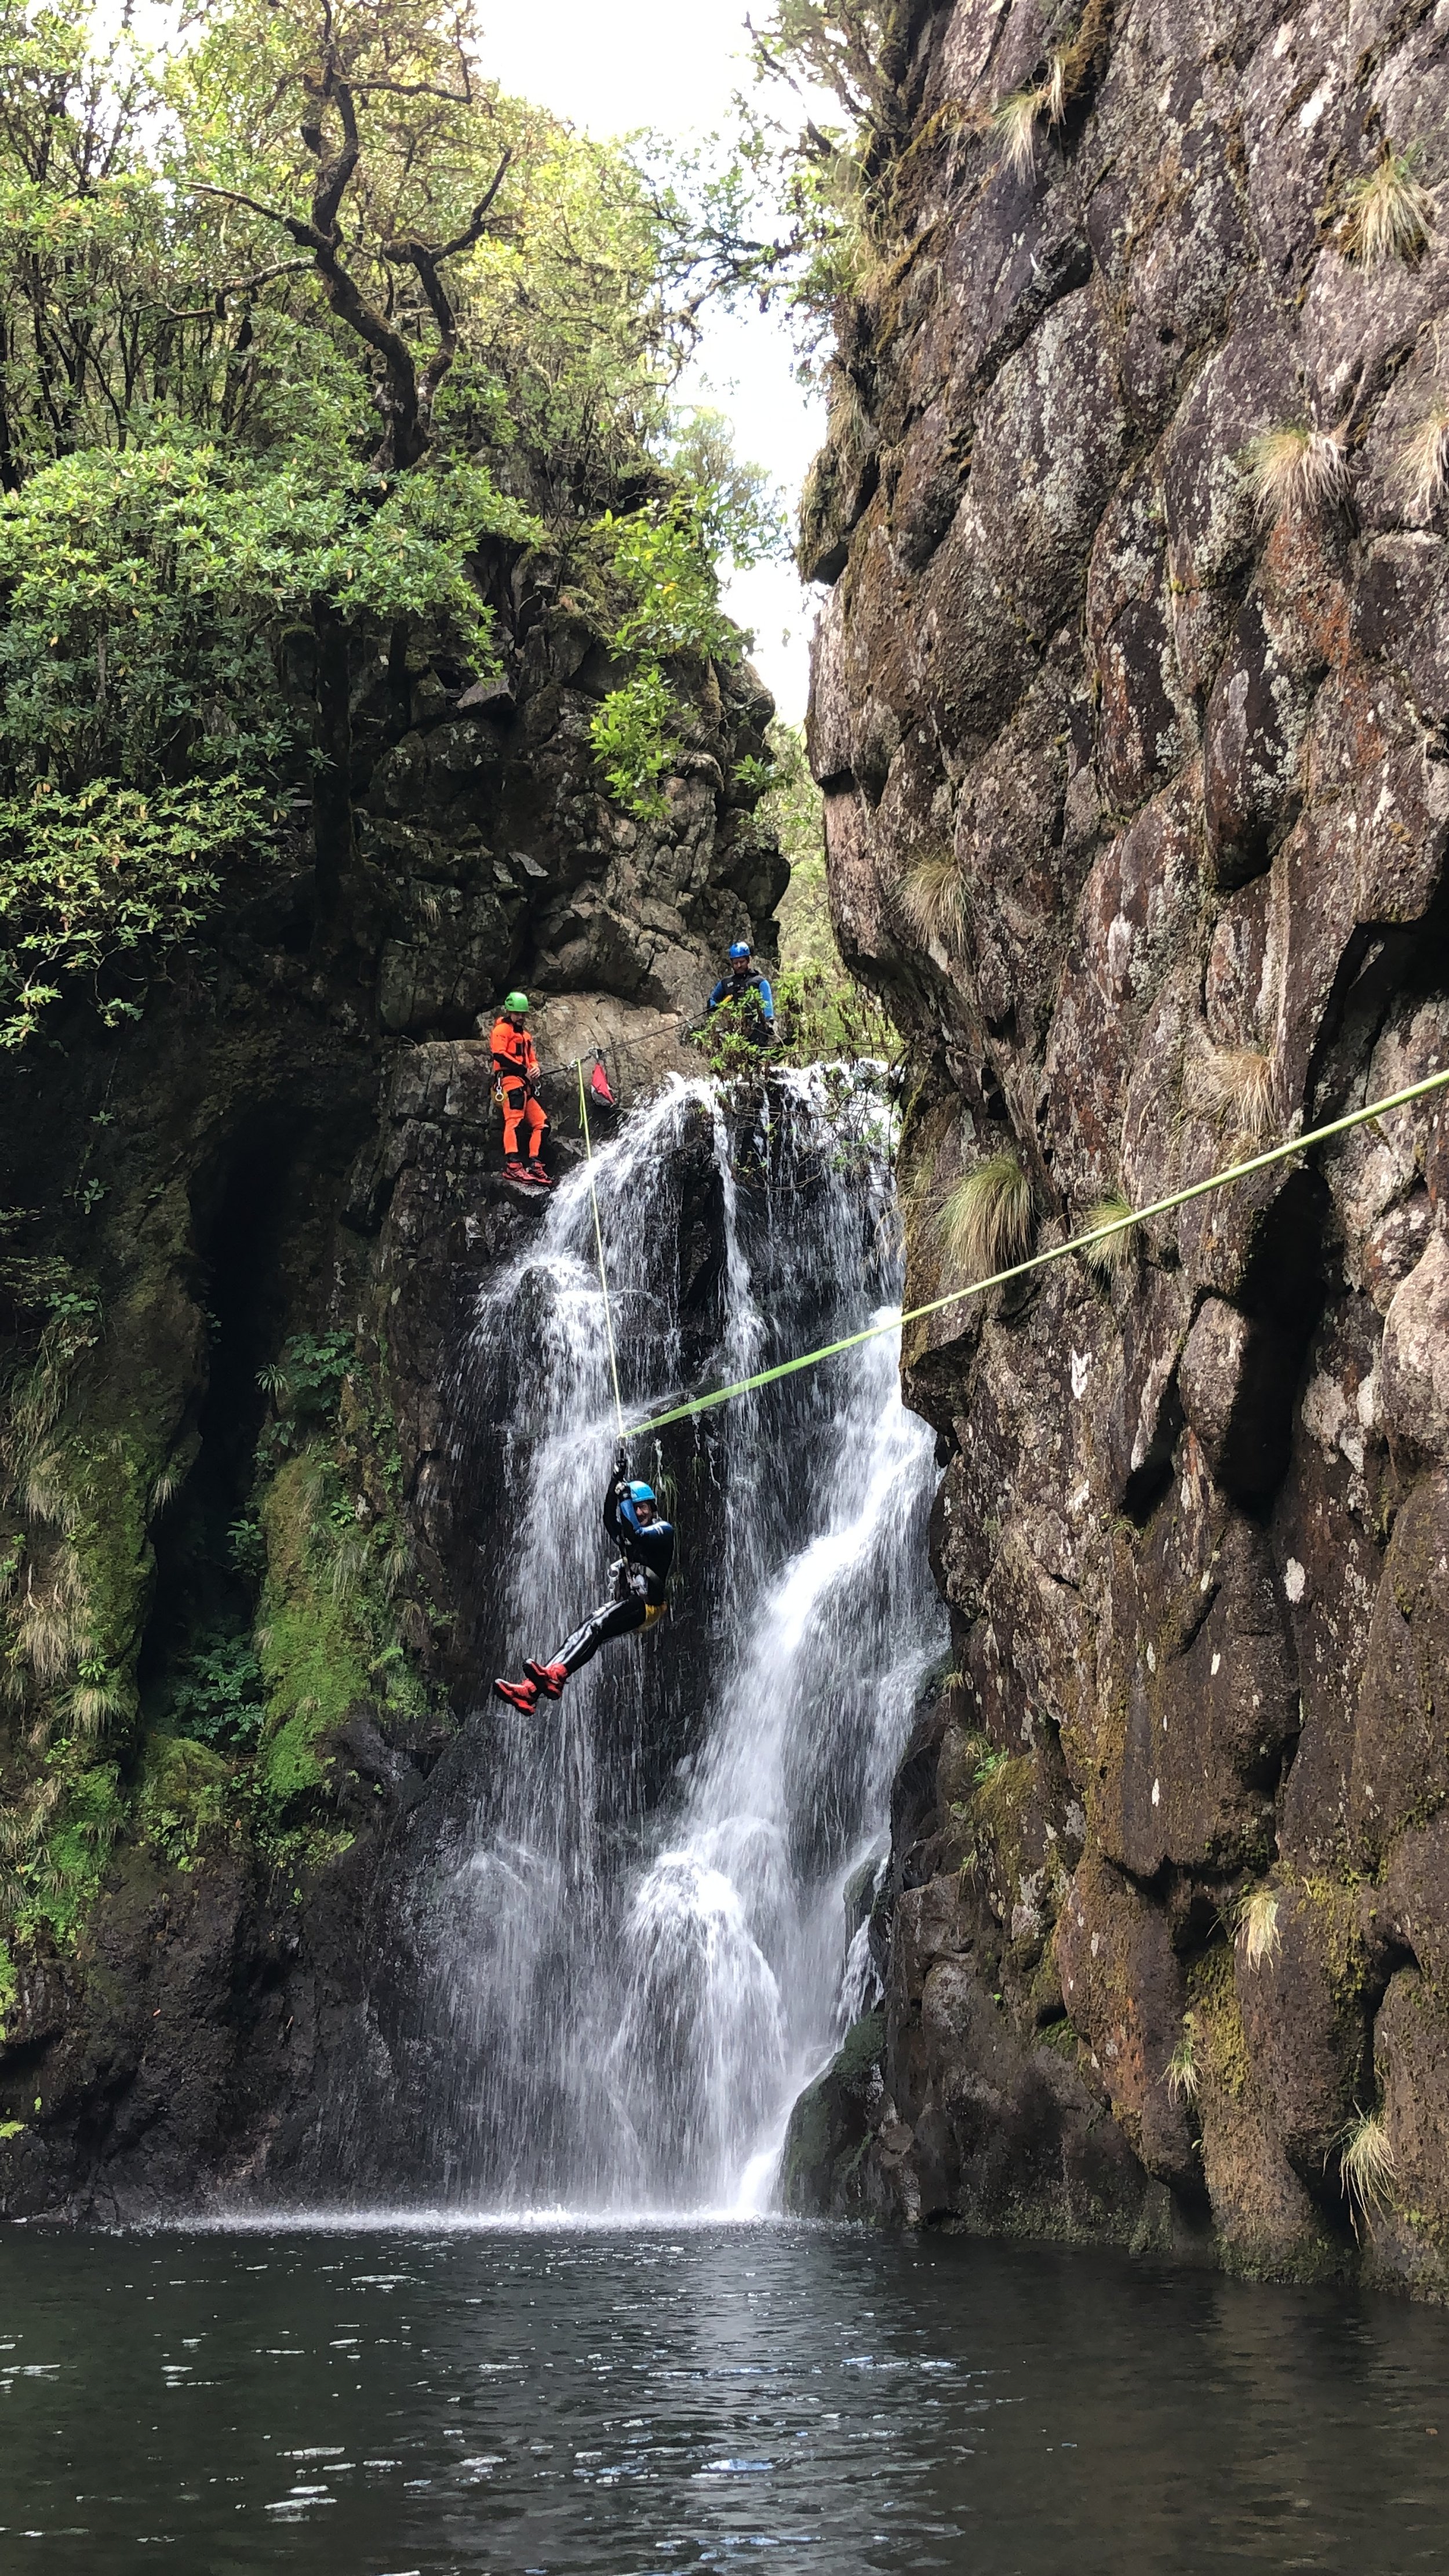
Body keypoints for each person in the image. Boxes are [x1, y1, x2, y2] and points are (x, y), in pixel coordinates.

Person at [493, 1454, 675, 1712]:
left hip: (648, 1605)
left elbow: (637, 1533)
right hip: (631, 1601)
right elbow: (608, 1519)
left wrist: (625, 1496)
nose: (639, 1511)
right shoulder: (628, 1536)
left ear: (653, 1508)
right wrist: (615, 1481)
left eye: (643, 1506)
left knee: (597, 1626)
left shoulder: (663, 1530)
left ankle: (556, 1676)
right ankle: (532, 1689)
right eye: (635, 1507)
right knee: (587, 1627)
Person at [489, 991, 553, 1187]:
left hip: (525, 1085)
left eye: (523, 1014)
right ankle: (513, 1165)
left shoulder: (525, 1036)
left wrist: (535, 1069)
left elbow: (531, 1058)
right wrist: (524, 1070)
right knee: (514, 1121)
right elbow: (498, 1054)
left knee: (542, 1124)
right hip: (509, 1081)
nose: (521, 1017)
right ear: (509, 1011)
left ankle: (534, 1163)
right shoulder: (501, 1030)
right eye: (517, 1013)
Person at [707, 940, 774, 1040]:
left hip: (756, 1028)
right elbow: (713, 998)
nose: (739, 966)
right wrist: (713, 1005)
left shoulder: (759, 981)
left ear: (748, 960)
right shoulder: (726, 983)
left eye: (742, 962)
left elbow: (767, 1001)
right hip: (733, 1029)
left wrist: (769, 1020)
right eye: (735, 963)